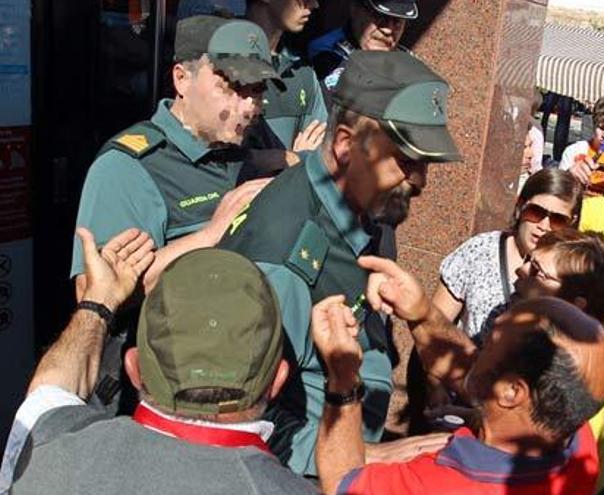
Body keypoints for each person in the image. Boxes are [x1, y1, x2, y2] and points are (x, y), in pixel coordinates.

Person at [218, 50, 461, 477]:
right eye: (406, 162)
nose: (420, 181)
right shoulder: (284, 253)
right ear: (347, 145)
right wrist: (370, 456)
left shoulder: (364, 209)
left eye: (425, 164)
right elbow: (234, 417)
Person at [69, 15, 284, 410]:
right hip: (162, 393)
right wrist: (208, 235)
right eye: (232, 86)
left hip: (241, 383)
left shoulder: (246, 150)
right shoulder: (131, 167)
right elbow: (94, 293)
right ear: (182, 79)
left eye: (256, 89)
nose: (249, 105)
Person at [3, 230, 315, 494]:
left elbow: (49, 389)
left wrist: (98, 303)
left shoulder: (47, 450)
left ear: (134, 368)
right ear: (277, 381)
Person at [313, 289, 604, 494]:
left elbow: (341, 481)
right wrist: (422, 314)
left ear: (512, 392)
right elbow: (482, 380)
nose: (478, 347)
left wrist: (343, 377)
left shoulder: (441, 486)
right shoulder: (576, 442)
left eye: (494, 340)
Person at [512, 229, 604, 493]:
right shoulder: (577, 345)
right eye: (527, 260)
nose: (520, 270)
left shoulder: (570, 366)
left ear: (577, 305)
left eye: (537, 271)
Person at [433, 169, 583, 342]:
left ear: (571, 223)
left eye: (558, 220)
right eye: (535, 212)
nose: (544, 225)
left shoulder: (572, 276)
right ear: (520, 206)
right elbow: (435, 325)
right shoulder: (479, 250)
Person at [243, 0, 328, 156]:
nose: (314, 4)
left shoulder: (302, 71)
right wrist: (292, 159)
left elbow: (320, 151)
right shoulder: (221, 62)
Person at [307, 0, 417, 94]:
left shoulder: (409, 65)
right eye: (379, 16)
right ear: (355, 8)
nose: (388, 29)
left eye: (397, 21)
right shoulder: (326, 55)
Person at [559, 97, 604, 195]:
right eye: (601, 128)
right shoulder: (574, 151)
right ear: (594, 123)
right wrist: (569, 175)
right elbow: (557, 189)